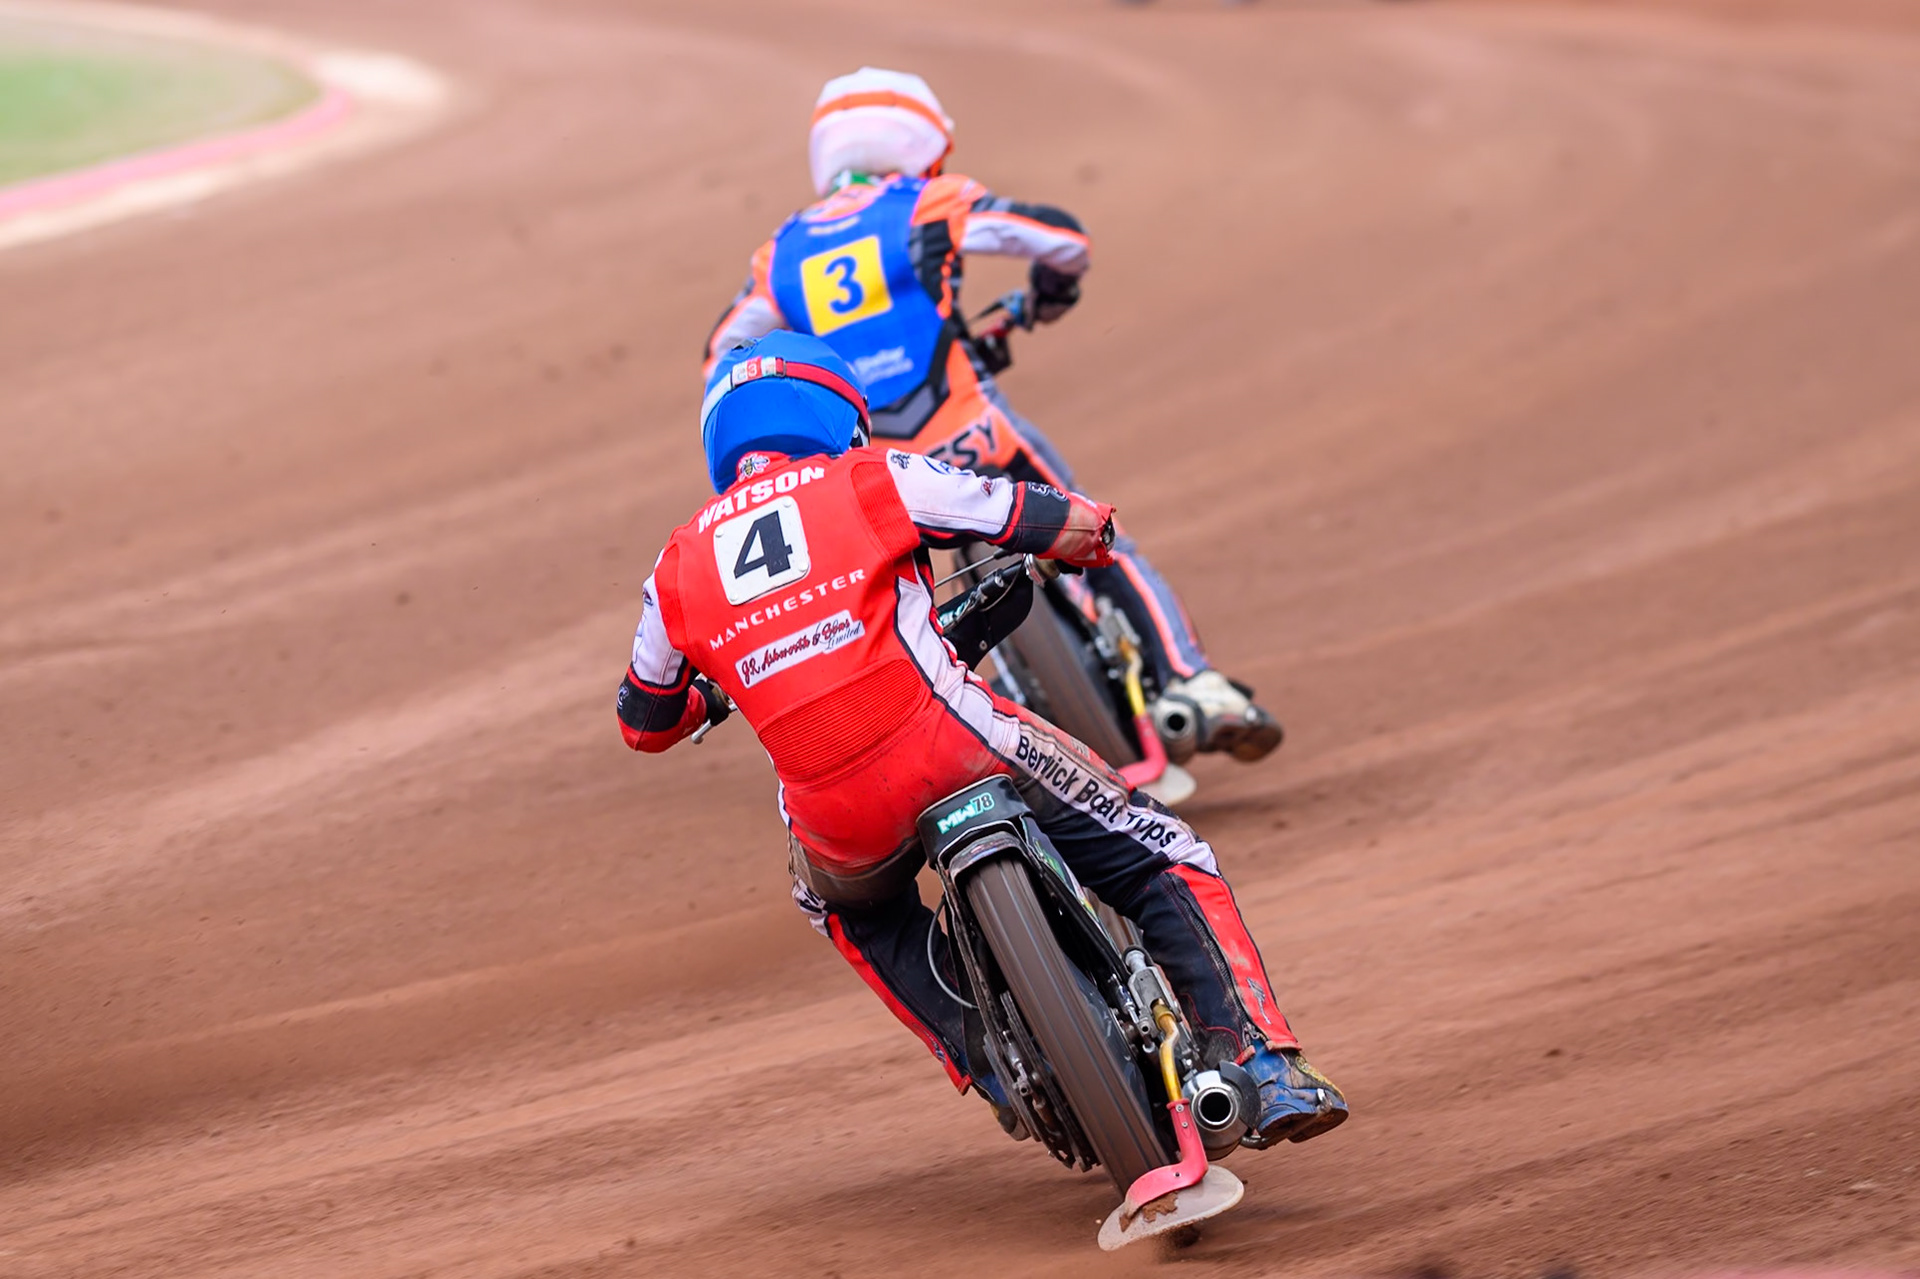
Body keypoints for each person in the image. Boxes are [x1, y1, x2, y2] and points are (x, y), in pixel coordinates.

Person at [620, 331, 1347, 1150]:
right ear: (837, 411)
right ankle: (1264, 1059)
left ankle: (989, 1060)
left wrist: (708, 697)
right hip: (951, 742)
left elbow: (643, 723)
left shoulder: (675, 563)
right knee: (1163, 849)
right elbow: (1023, 512)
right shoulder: (869, 476)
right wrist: (1091, 534)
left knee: (841, 910)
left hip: (836, 820)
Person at [702, 66, 1282, 766]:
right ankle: (1194, 682)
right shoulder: (927, 199)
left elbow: (722, 354)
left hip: (877, 469)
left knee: (887, 601)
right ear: (918, 142)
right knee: (1099, 535)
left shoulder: (778, 254)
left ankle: (935, 747)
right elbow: (1063, 242)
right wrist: (1046, 297)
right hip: (972, 421)